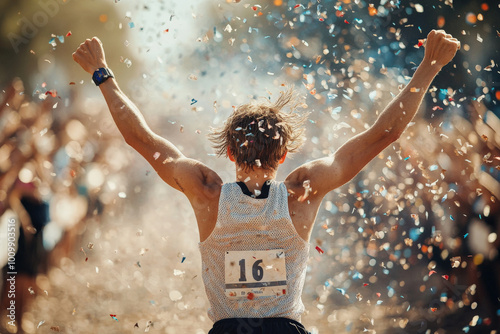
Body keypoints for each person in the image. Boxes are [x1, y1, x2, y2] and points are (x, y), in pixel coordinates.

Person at [72, 29, 460, 333]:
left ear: (229, 153)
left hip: (226, 330)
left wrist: (102, 74)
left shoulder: (206, 191)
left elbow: (140, 139)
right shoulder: (301, 191)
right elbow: (383, 134)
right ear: (284, 155)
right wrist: (429, 65)